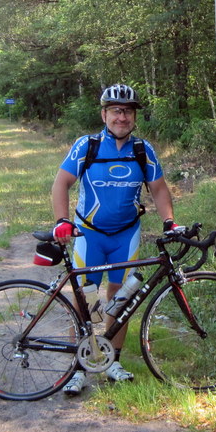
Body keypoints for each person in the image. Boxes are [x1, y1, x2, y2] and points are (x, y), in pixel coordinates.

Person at [51, 83, 176, 396]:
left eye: (128, 112)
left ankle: (111, 362)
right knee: (86, 301)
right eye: (116, 111)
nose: (122, 117)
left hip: (126, 236)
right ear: (104, 114)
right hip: (89, 235)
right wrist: (62, 221)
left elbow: (159, 189)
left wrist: (169, 222)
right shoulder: (87, 146)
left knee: (121, 299)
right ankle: (79, 367)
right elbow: (61, 183)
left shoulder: (143, 150)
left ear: (134, 117)